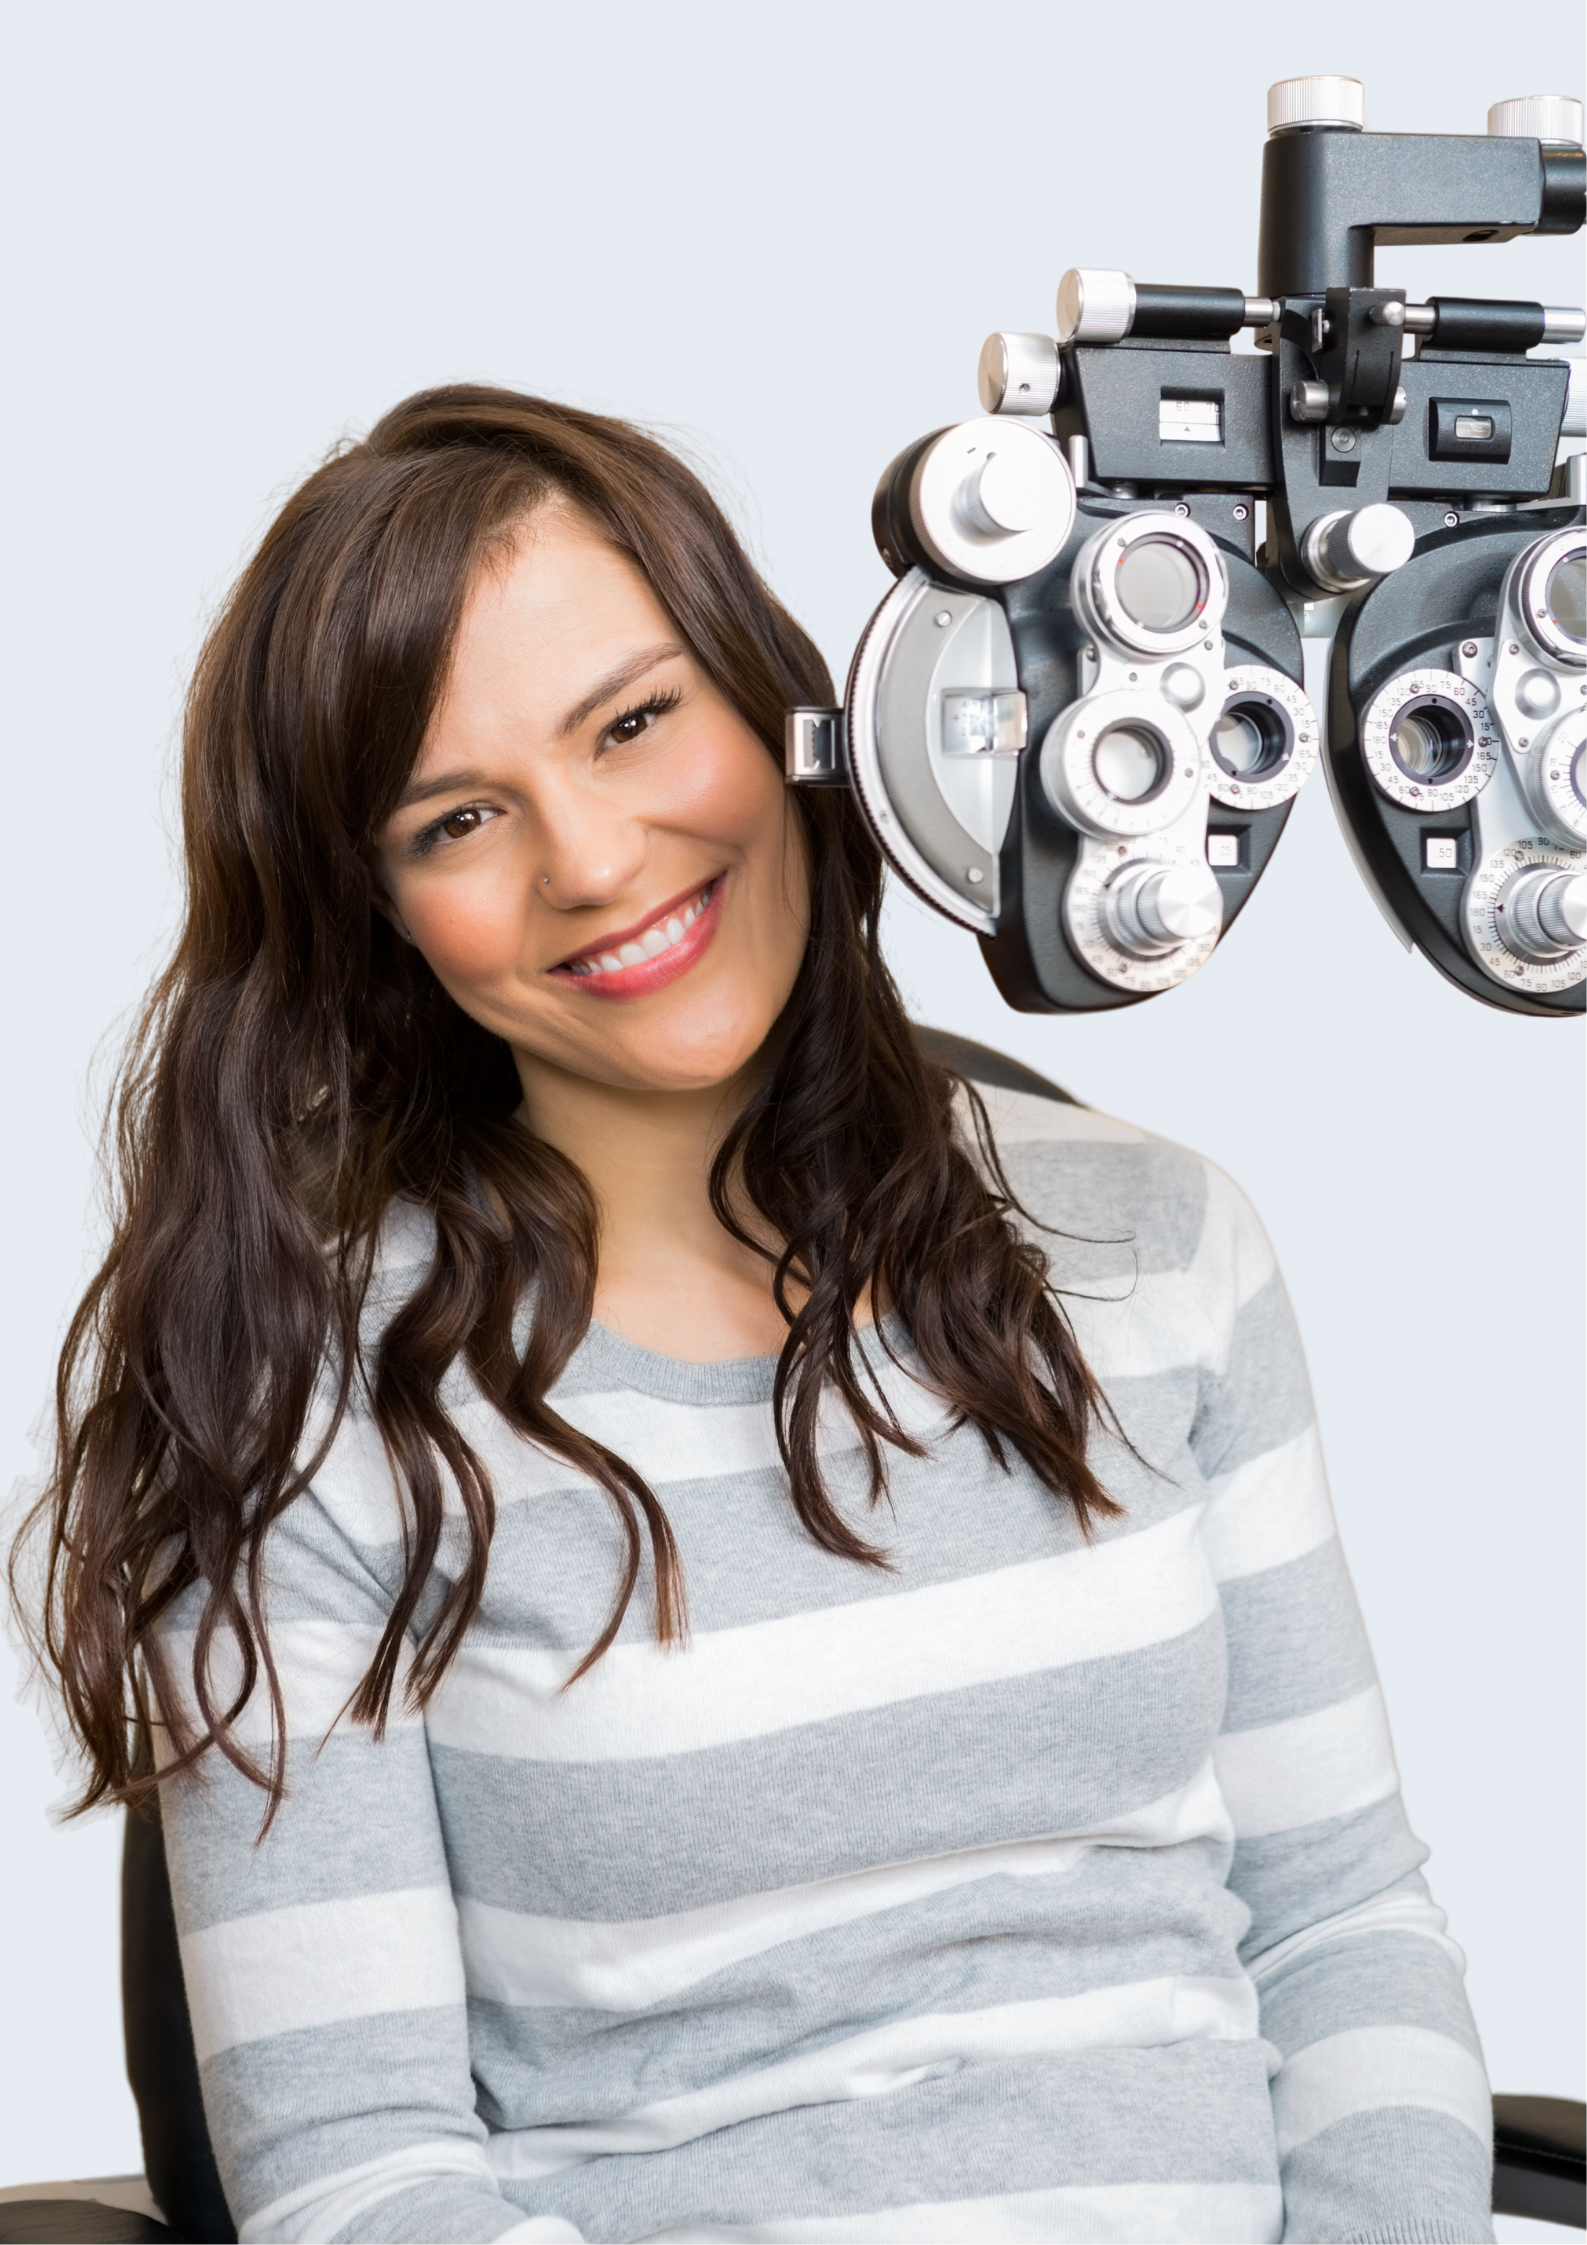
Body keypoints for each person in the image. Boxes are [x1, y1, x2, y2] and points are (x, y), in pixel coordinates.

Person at [12, 387, 1495, 2244]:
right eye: (460, 816)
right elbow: (359, 2170)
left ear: (788, 709)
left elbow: (1343, 1921)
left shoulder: (1155, 1246)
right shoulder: (310, 1398)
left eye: (634, 722)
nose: (595, 861)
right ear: (376, 912)